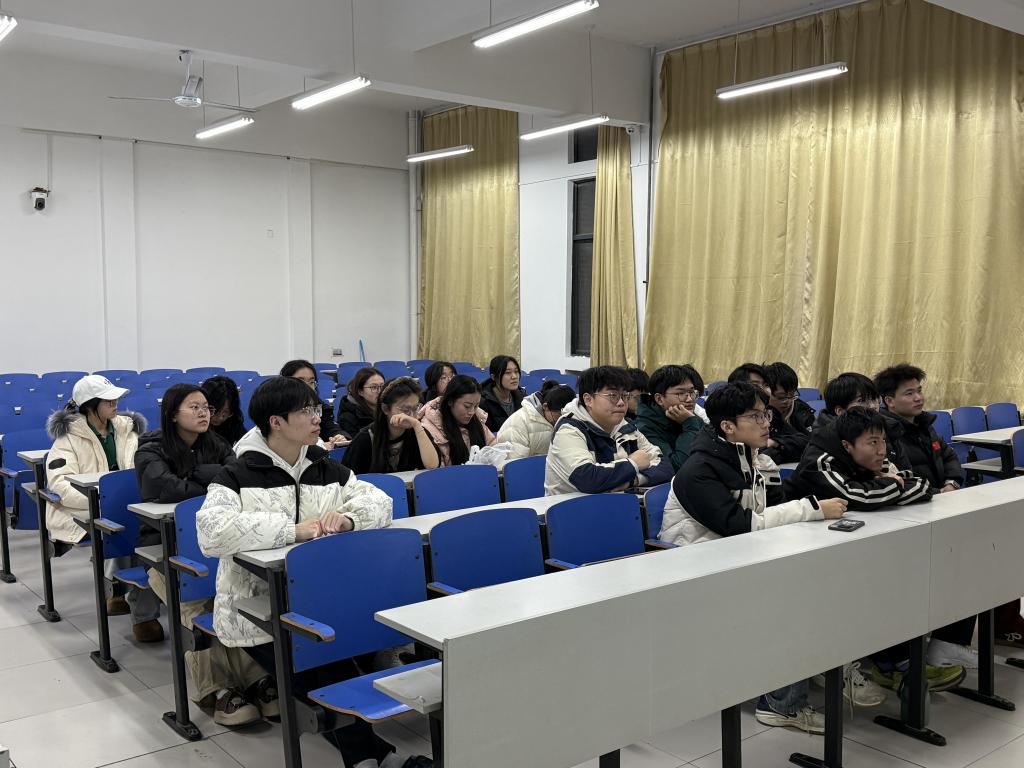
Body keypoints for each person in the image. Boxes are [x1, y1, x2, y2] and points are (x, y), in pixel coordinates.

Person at [196, 377, 428, 768]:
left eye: (317, 409)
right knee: (323, 668)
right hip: (257, 608)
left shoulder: (325, 466)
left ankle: (369, 757)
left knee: (332, 667)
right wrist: (291, 531)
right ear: (276, 422)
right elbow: (211, 531)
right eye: (306, 411)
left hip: (321, 600)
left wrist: (350, 518)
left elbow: (381, 503)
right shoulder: (237, 474)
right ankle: (375, 758)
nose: (318, 417)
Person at [660, 381, 863, 730]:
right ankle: (781, 704)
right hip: (696, 567)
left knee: (829, 579)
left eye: (765, 414)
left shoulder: (755, 459)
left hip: (740, 557)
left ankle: (826, 666)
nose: (767, 422)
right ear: (728, 426)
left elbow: (776, 505)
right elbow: (740, 526)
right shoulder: (698, 471)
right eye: (755, 416)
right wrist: (812, 508)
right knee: (793, 599)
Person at [783, 408, 967, 690]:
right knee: (876, 587)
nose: (882, 450)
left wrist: (884, 486)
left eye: (883, 441)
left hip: (861, 543)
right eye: (873, 443)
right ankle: (886, 664)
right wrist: (891, 486)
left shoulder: (878, 453)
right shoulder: (820, 460)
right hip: (811, 552)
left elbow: (922, 485)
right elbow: (855, 497)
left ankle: (899, 661)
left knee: (902, 579)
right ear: (847, 446)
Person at [135, 384, 275, 726]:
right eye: (194, 407)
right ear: (173, 414)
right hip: (167, 553)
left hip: (217, 549)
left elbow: (240, 481)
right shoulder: (150, 449)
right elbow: (165, 488)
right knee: (197, 607)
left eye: (206, 408)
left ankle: (256, 679)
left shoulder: (217, 444)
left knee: (235, 600)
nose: (204, 413)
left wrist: (196, 478)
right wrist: (211, 482)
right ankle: (219, 689)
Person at [45, 374, 163, 643]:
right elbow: (60, 485)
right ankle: (139, 610)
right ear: (90, 406)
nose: (115, 403)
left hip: (128, 504)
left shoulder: (127, 429)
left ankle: (127, 596)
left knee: (148, 530)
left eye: (115, 399)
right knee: (124, 526)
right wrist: (104, 499)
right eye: (108, 400)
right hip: (85, 509)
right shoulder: (68, 438)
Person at [544, 366, 672, 495]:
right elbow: (588, 479)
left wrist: (633, 481)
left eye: (624, 396)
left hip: (617, 502)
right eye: (613, 396)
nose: (621, 402)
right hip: (573, 505)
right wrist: (633, 463)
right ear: (588, 400)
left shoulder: (625, 426)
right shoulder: (568, 429)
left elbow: (666, 466)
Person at [342, 377, 440, 474]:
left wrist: (417, 425)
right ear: (385, 409)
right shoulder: (365, 438)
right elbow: (349, 477)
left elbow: (432, 466)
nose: (411, 416)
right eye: (405, 410)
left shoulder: (418, 432)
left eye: (415, 408)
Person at [632, 364, 705, 473]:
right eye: (680, 393)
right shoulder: (644, 427)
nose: (689, 399)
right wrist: (690, 426)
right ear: (659, 399)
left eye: (691, 392)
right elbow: (675, 467)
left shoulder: (691, 417)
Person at [419, 375, 495, 466]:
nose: (472, 412)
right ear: (450, 401)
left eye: (476, 406)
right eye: (467, 406)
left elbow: (493, 449)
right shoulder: (430, 428)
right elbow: (436, 470)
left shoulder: (477, 420)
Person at [495, 380, 576, 461]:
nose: (563, 420)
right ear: (545, 407)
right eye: (559, 415)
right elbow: (516, 463)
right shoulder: (519, 423)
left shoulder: (569, 419)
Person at [280, 360, 346, 447]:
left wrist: (338, 436)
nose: (307, 386)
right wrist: (320, 447)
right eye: (300, 381)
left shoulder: (320, 406)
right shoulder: (279, 408)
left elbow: (329, 428)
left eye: (311, 382)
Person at [761, 362, 812, 464]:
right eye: (781, 397)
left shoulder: (802, 410)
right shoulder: (762, 413)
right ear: (766, 390)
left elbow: (811, 444)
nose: (787, 401)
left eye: (792, 396)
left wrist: (776, 443)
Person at [479, 355, 524, 433]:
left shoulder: (522, 397)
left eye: (516, 371)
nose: (514, 376)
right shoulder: (483, 402)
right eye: (508, 373)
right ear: (493, 377)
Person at [337, 367, 385, 440]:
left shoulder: (389, 408)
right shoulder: (347, 418)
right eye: (373, 387)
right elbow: (355, 444)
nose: (380, 391)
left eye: (382, 386)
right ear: (360, 391)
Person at [202, 375, 247, 446]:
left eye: (226, 412)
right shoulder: (193, 425)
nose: (220, 418)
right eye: (217, 411)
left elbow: (245, 441)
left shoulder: (233, 420)